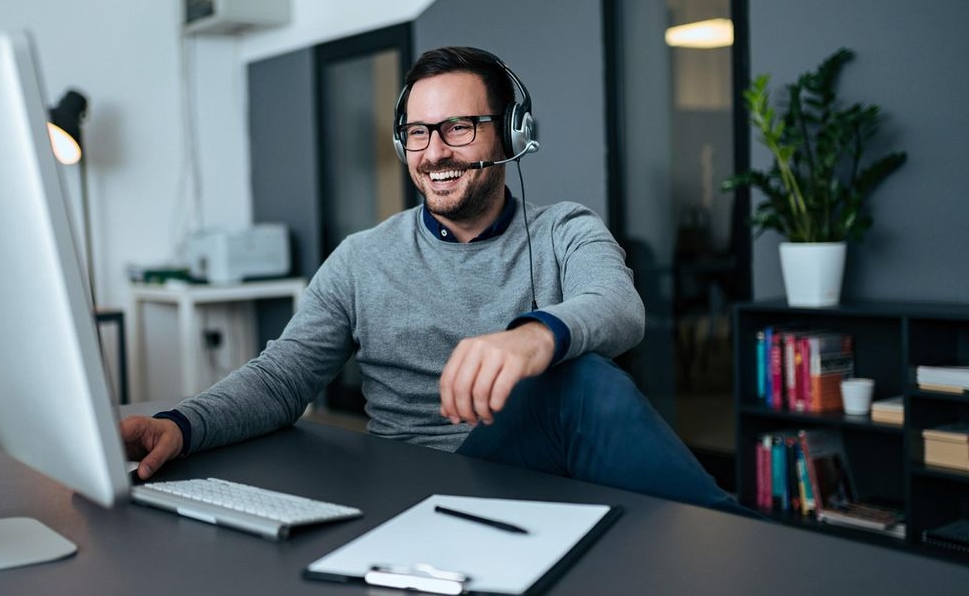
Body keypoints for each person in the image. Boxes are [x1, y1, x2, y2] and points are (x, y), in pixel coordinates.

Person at [122, 46, 741, 513]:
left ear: (512, 134)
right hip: (413, 488)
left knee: (577, 380)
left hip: (536, 477)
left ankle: (740, 543)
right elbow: (283, 377)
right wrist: (180, 424)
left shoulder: (564, 230)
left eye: (458, 128)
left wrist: (534, 337)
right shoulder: (362, 257)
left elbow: (618, 306)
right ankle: (747, 540)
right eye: (418, 132)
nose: (434, 151)